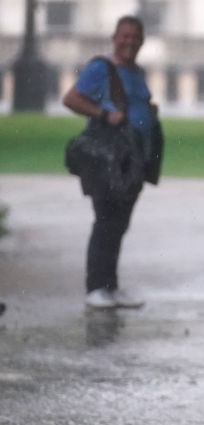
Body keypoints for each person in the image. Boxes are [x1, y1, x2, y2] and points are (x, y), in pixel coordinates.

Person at [62, 15, 158, 310]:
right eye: (124, 36)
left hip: (132, 158)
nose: (130, 41)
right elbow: (72, 98)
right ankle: (95, 288)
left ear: (142, 40)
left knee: (118, 223)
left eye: (135, 36)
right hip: (109, 158)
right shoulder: (101, 68)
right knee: (106, 221)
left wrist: (147, 111)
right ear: (114, 38)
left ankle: (110, 287)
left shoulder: (136, 71)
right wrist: (104, 115)